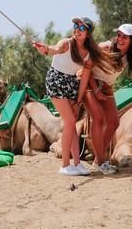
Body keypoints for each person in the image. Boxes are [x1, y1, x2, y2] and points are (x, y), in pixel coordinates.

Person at [32, 17, 114, 176]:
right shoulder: (66, 43)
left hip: (71, 83)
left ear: (88, 33)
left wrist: (78, 99)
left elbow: (84, 79)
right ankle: (64, 165)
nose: (77, 30)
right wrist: (45, 49)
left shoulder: (89, 54)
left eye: (81, 28)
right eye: (75, 26)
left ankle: (77, 163)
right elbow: (53, 49)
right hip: (56, 81)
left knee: (72, 122)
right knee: (69, 121)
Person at [78, 23, 132, 174]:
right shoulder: (105, 47)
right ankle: (101, 162)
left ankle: (98, 159)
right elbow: (87, 69)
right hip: (89, 82)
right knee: (98, 118)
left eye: (125, 37)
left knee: (114, 122)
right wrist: (95, 90)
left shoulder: (129, 57)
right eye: (119, 35)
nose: (120, 39)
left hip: (107, 87)